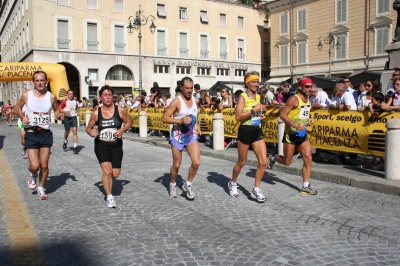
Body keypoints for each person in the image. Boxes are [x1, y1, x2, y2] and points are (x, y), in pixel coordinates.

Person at [13, 71, 60, 200]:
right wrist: (22, 117)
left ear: (46, 82)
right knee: (35, 166)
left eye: (42, 80)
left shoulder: (51, 97)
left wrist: (59, 114)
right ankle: (32, 175)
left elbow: (56, 109)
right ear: (33, 82)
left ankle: (41, 187)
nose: (40, 83)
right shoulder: (27, 95)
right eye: (37, 80)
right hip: (31, 133)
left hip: (45, 133)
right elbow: (16, 108)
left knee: (44, 165)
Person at [268, 77, 317, 195]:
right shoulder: (294, 99)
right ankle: (273, 158)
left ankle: (305, 186)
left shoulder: (308, 99)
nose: (310, 89)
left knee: (308, 159)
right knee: (287, 162)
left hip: (302, 134)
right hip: (291, 135)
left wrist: (308, 119)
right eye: (307, 87)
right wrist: (295, 125)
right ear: (300, 87)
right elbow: (283, 116)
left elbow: (303, 113)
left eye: (311, 86)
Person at [86, 85, 132, 208]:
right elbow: (88, 128)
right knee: (106, 171)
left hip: (116, 145)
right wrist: (91, 132)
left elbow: (129, 122)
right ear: (101, 97)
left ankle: (108, 181)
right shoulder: (96, 112)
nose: (107, 97)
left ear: (113, 97)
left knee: (115, 174)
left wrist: (122, 130)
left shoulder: (120, 110)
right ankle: (109, 196)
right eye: (105, 95)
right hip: (101, 145)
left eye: (110, 95)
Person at [227, 71, 268, 202]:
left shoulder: (257, 97)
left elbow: (256, 114)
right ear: (247, 83)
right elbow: (238, 116)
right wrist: (253, 111)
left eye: (257, 81)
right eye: (254, 82)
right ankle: (233, 183)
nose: (256, 84)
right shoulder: (242, 97)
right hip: (245, 130)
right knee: (242, 162)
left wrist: (260, 116)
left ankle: (256, 189)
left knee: (263, 162)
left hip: (256, 130)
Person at [161, 77, 201, 200]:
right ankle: (172, 184)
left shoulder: (196, 100)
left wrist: (197, 124)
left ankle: (188, 184)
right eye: (187, 88)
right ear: (181, 88)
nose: (190, 91)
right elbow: (165, 118)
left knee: (196, 162)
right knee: (177, 165)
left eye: (191, 88)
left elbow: (196, 112)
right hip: (178, 136)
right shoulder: (176, 102)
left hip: (190, 135)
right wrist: (180, 121)